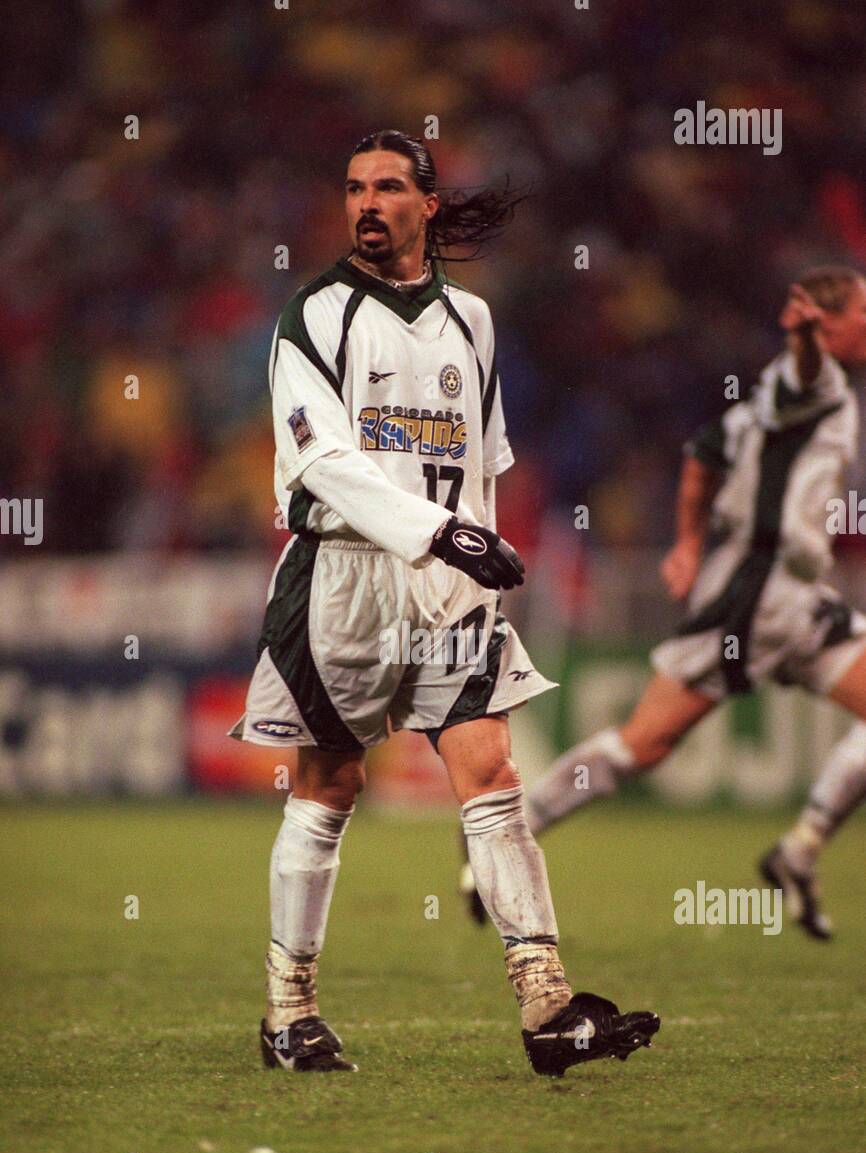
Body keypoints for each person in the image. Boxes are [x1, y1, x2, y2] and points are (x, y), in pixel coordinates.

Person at [230, 130, 660, 1076]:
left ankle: (547, 1003)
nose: (365, 204)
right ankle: (286, 1011)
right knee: (330, 788)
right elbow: (321, 461)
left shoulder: (474, 319)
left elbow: (483, 463)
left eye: (387, 186)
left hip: (451, 586)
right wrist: (438, 531)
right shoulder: (313, 314)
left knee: (493, 775)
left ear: (428, 204)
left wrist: (477, 547)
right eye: (352, 188)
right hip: (342, 575)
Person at [463, 270, 866, 940]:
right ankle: (505, 833)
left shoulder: (777, 393)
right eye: (862, 309)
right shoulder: (812, 377)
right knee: (641, 743)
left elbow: (703, 455)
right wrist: (803, 340)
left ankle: (799, 849)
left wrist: (686, 542)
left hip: (795, 596)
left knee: (642, 744)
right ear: (826, 323)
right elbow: (792, 379)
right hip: (756, 600)